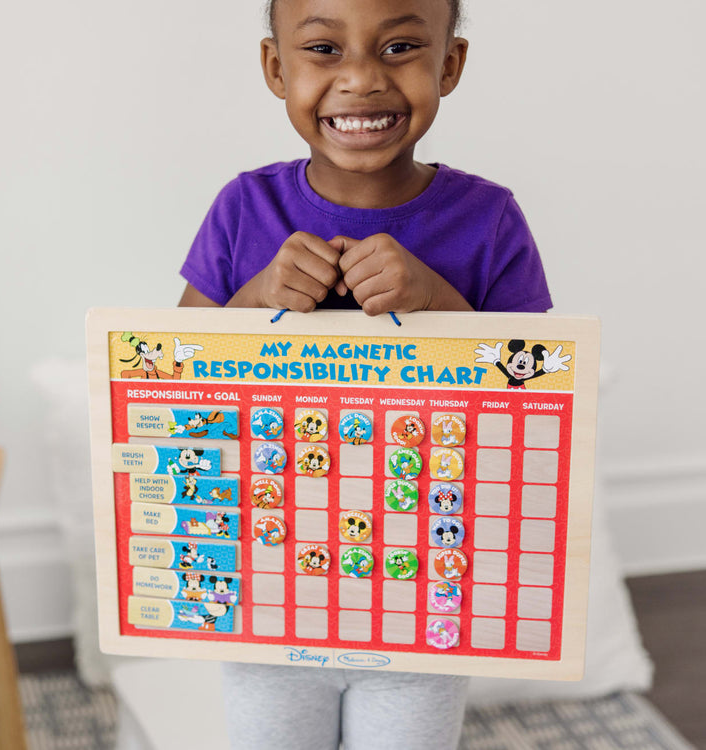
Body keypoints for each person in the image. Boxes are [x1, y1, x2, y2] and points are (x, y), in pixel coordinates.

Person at [178, 1, 552, 747]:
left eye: (401, 46)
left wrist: (440, 305)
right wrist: (253, 299)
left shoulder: (490, 219)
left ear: (449, 64)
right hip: (269, 588)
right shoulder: (241, 207)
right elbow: (169, 387)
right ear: (276, 68)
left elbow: (540, 409)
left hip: (423, 591)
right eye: (323, 48)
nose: (360, 78)